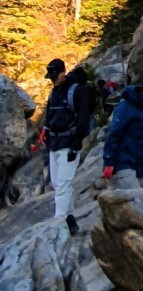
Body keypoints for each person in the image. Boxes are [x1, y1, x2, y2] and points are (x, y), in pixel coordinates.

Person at [43, 58, 93, 234]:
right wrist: (46, 135)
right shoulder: (54, 92)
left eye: (55, 75)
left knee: (64, 183)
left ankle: (59, 221)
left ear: (63, 72)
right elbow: (49, 116)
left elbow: (83, 119)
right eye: (51, 76)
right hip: (54, 143)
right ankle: (70, 219)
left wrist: (76, 144)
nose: (53, 79)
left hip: (69, 143)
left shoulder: (77, 91)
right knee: (57, 183)